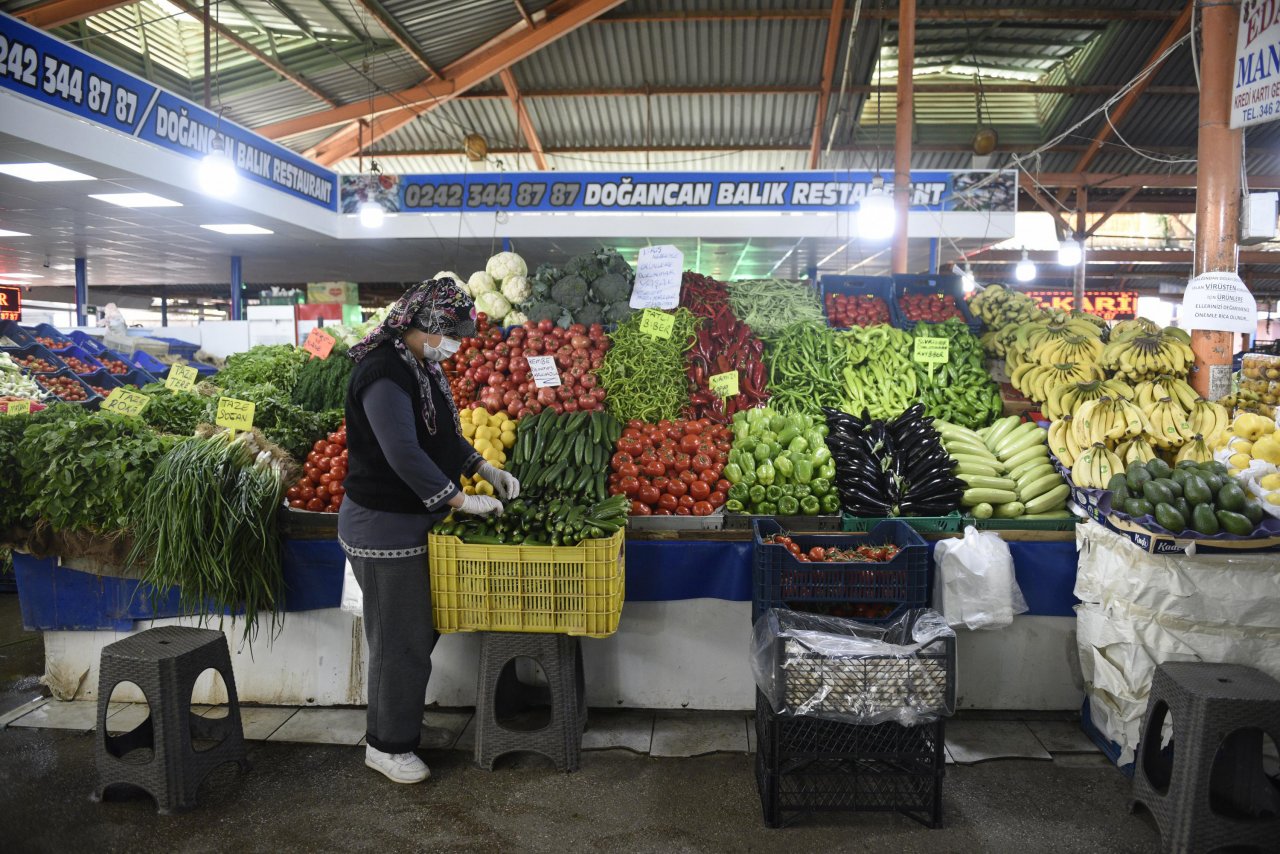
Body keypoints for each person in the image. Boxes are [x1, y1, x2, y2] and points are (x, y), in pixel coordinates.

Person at [339, 277, 520, 784]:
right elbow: (403, 454)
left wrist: (484, 469)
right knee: (400, 641)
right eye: (451, 334)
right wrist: (461, 500)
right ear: (423, 326)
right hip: (382, 527)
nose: (456, 344)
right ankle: (386, 746)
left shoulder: (419, 367)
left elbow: (441, 436)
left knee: (417, 634)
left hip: (413, 523)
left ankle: (399, 724)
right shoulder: (382, 372)